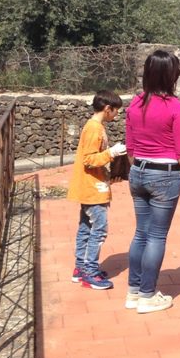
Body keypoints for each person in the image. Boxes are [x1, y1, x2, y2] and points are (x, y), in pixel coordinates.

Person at [124, 50, 180, 314]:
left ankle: (133, 292)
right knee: (157, 236)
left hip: (138, 172)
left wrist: (139, 170)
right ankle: (148, 295)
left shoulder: (134, 104)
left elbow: (130, 148)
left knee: (140, 234)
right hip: (165, 175)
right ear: (171, 76)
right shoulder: (175, 107)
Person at [68, 90, 126, 291]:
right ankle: (89, 272)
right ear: (107, 108)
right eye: (115, 111)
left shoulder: (95, 126)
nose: (116, 115)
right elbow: (89, 159)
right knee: (99, 230)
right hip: (93, 190)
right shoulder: (94, 128)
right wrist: (111, 153)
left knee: (85, 228)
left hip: (92, 186)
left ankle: (80, 268)